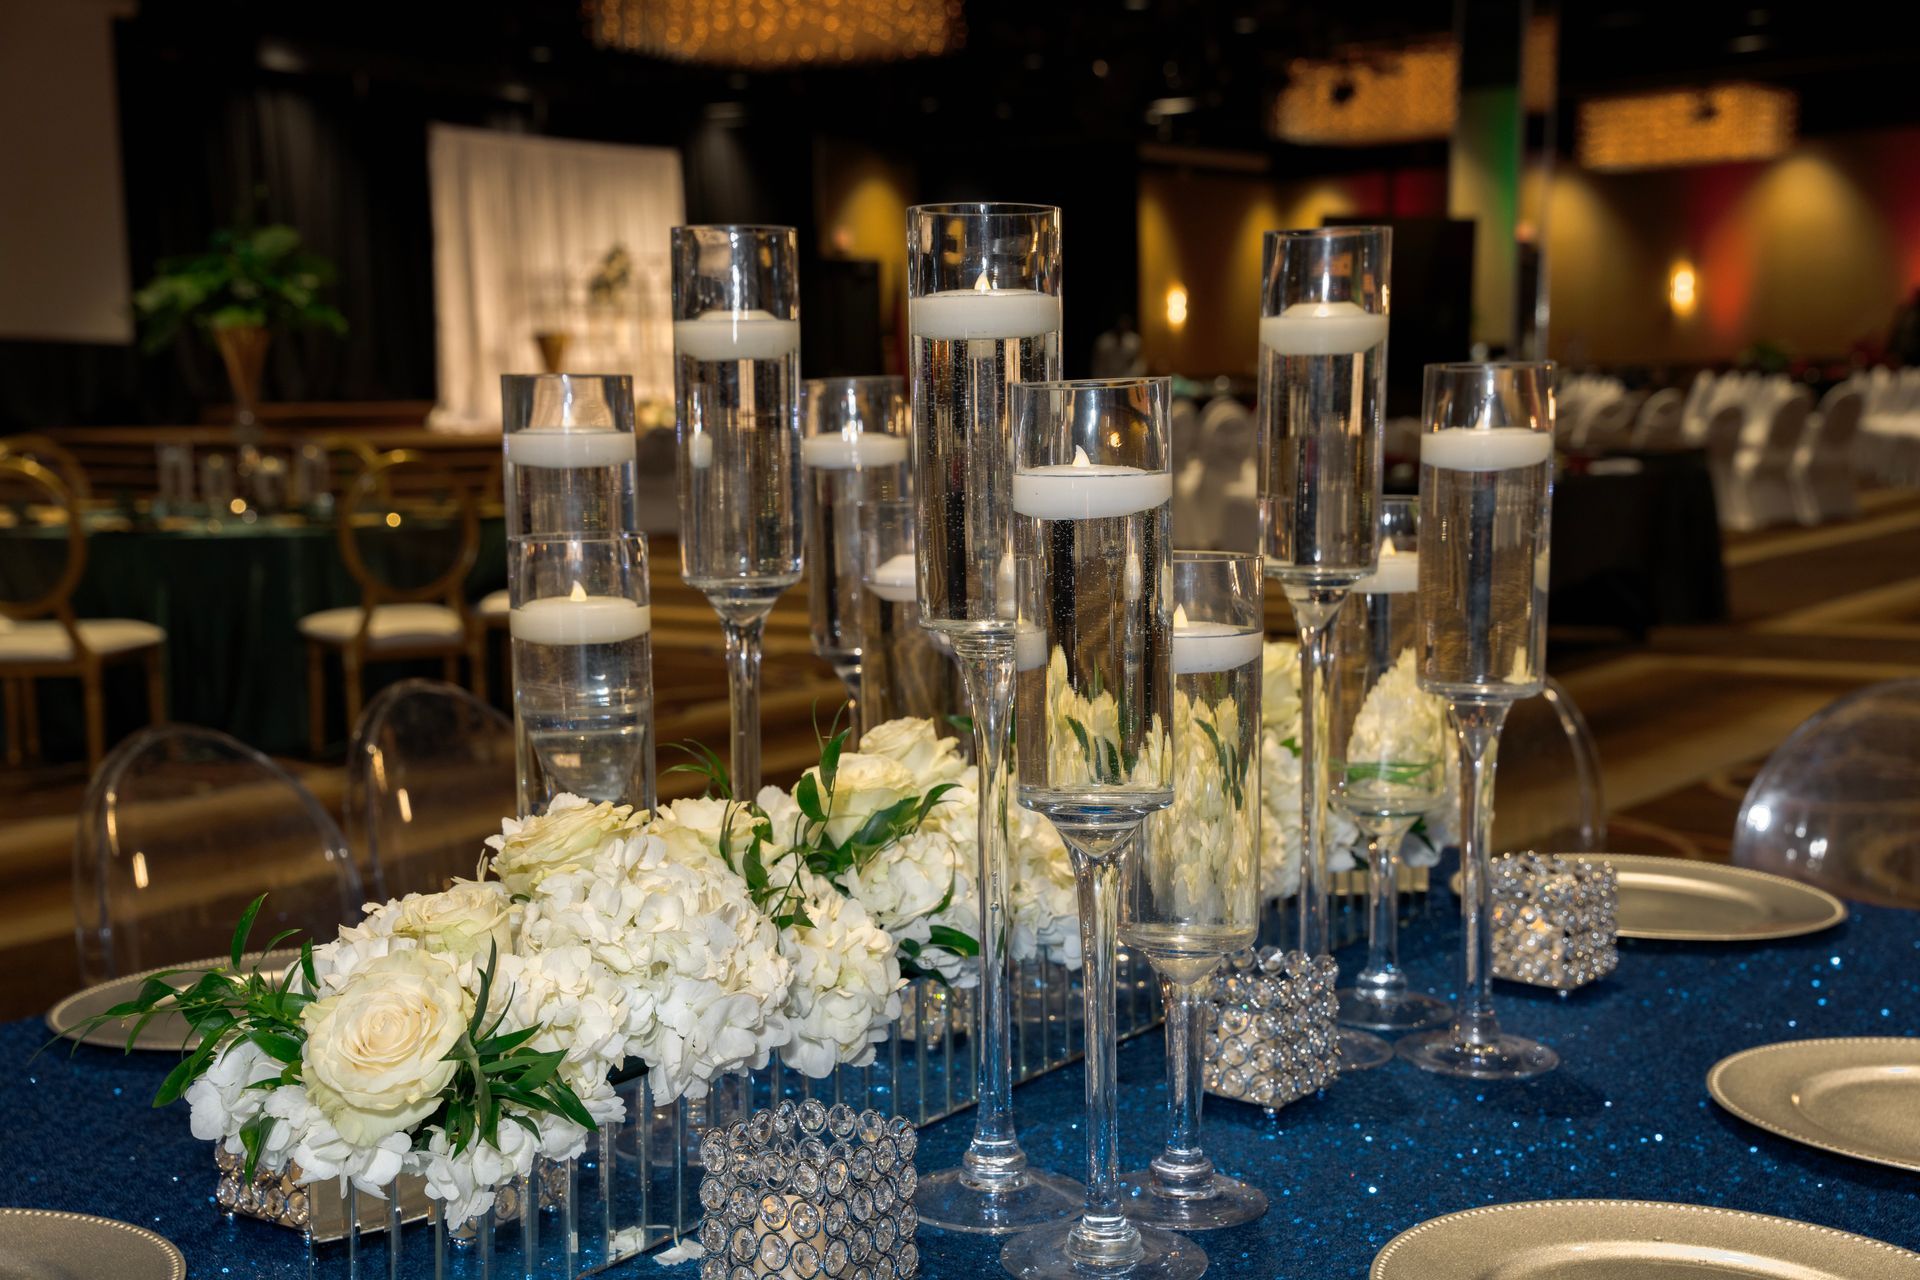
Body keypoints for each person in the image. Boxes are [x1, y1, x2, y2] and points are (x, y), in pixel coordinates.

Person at [1091, 313, 1144, 378]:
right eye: (1120, 323)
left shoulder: (1135, 340)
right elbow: (1098, 364)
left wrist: (1133, 377)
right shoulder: (1103, 341)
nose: (1122, 326)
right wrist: (1101, 379)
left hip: (1129, 377)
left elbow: (1138, 362)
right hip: (1107, 377)